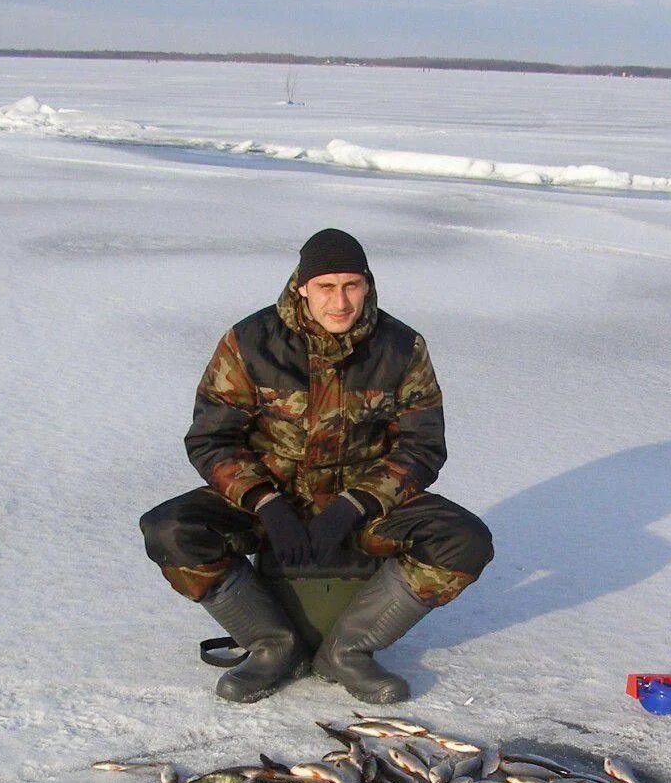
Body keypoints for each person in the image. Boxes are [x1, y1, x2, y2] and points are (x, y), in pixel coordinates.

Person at [140, 228, 493, 704]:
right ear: (301, 286)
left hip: (366, 508)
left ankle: (349, 650)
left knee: (465, 540)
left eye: (351, 285)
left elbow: (421, 447)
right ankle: (272, 645)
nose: (340, 302)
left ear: (367, 284)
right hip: (271, 506)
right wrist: (266, 503)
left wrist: (355, 504)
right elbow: (212, 440)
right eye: (326, 287)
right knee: (170, 530)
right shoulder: (249, 343)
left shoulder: (401, 348)